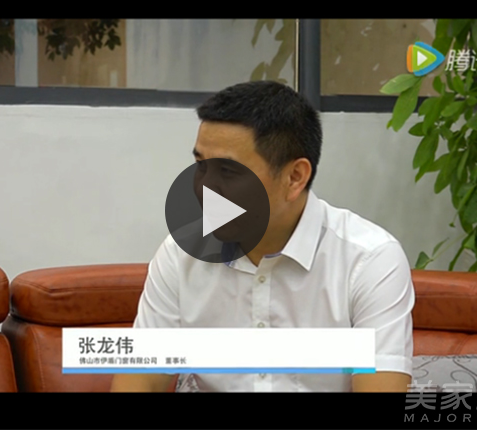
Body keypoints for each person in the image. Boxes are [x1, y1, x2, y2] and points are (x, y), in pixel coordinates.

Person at [110, 80, 415, 392]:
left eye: (228, 172)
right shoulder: (182, 254)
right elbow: (141, 381)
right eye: (201, 165)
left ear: (294, 177)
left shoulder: (369, 260)